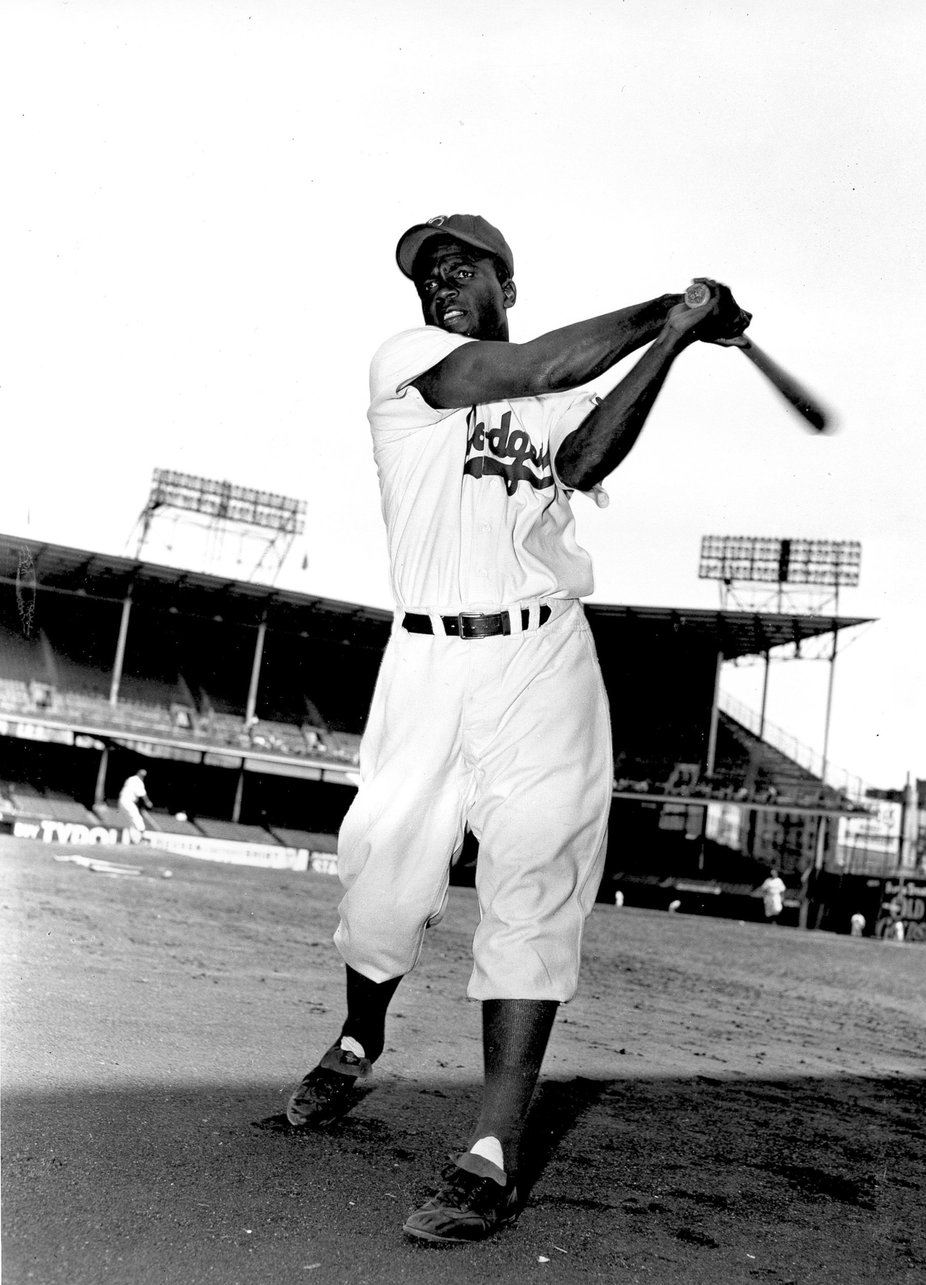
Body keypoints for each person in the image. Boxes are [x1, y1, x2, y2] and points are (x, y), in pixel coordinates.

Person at [285, 213, 750, 1244]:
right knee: (381, 884)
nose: (439, 281)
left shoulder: (553, 392)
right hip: (426, 662)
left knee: (535, 884)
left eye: (461, 265)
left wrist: (673, 340)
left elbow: (583, 454)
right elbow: (533, 362)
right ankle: (361, 1040)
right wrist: (662, 309)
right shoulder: (411, 364)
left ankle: (489, 1150)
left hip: (541, 660)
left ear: (506, 276)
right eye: (428, 272)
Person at [117, 768, 152, 833]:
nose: (142, 777)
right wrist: (147, 802)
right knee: (137, 818)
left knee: (130, 821)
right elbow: (142, 794)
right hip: (128, 801)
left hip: (121, 801)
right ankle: (141, 835)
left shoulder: (131, 778)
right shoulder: (138, 781)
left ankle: (134, 838)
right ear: (138, 773)